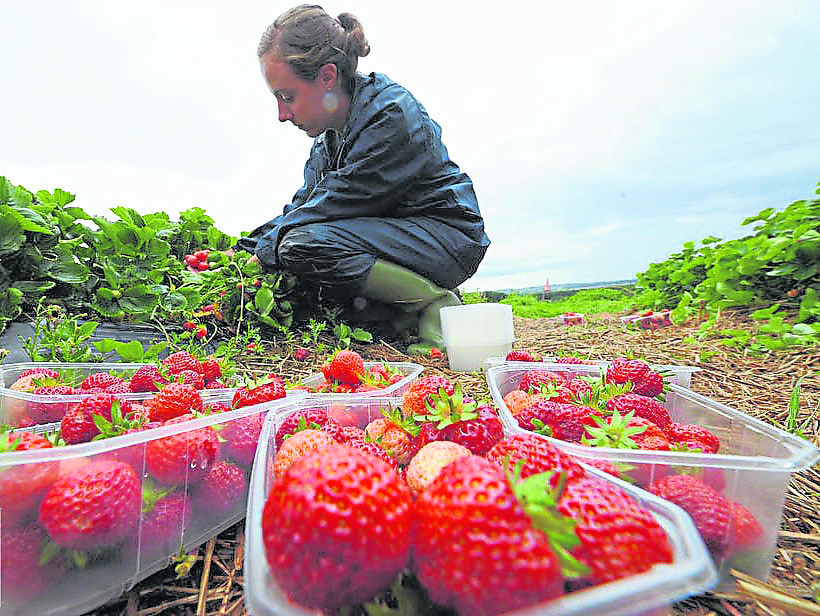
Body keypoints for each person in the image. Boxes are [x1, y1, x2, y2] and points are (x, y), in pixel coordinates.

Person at [233, 4, 490, 354]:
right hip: (393, 237)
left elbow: (331, 206)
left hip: (445, 239)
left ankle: (433, 302)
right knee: (304, 263)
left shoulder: (391, 116)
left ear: (326, 76)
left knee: (300, 246)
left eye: (287, 96)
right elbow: (305, 206)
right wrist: (242, 250)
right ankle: (398, 315)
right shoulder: (328, 139)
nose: (282, 114)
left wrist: (267, 250)